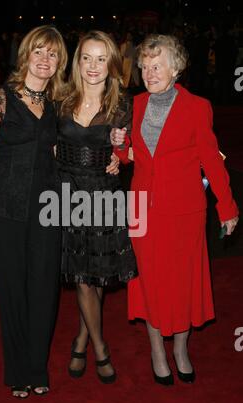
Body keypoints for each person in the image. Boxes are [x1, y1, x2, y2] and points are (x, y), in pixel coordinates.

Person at [111, 34, 239, 385]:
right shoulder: (133, 104)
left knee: (182, 283)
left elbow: (211, 162)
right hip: (140, 207)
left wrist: (226, 206)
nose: (150, 73)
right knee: (149, 282)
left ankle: (181, 348)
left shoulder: (198, 107)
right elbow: (129, 158)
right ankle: (156, 350)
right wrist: (120, 148)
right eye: (145, 66)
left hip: (183, 210)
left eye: (158, 66)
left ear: (176, 68)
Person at [0, 25, 68, 399]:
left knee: (44, 289)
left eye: (52, 54)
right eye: (38, 51)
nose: (44, 59)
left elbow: (57, 157)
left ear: (58, 63)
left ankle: (37, 368)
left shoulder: (55, 105)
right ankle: (18, 371)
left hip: (47, 210)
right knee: (11, 290)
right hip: (5, 208)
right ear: (25, 56)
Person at [56, 30, 138, 384]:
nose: (93, 66)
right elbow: (47, 142)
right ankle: (100, 347)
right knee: (81, 276)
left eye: (101, 58)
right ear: (77, 62)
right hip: (67, 192)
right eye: (86, 58)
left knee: (99, 271)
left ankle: (82, 337)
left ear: (112, 64)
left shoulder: (122, 104)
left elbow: (129, 150)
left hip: (104, 193)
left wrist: (122, 154)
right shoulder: (60, 98)